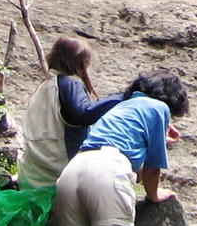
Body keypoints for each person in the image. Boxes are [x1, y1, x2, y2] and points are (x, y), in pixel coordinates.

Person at [53, 71, 187, 226]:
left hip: (71, 174)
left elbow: (132, 165)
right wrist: (154, 194)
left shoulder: (120, 107)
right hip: (108, 171)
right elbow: (151, 169)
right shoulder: (159, 108)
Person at [18, 37, 122, 190]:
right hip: (58, 178)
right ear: (80, 63)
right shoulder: (69, 83)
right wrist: (121, 97)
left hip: (32, 176)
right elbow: (84, 114)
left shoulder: (46, 85)